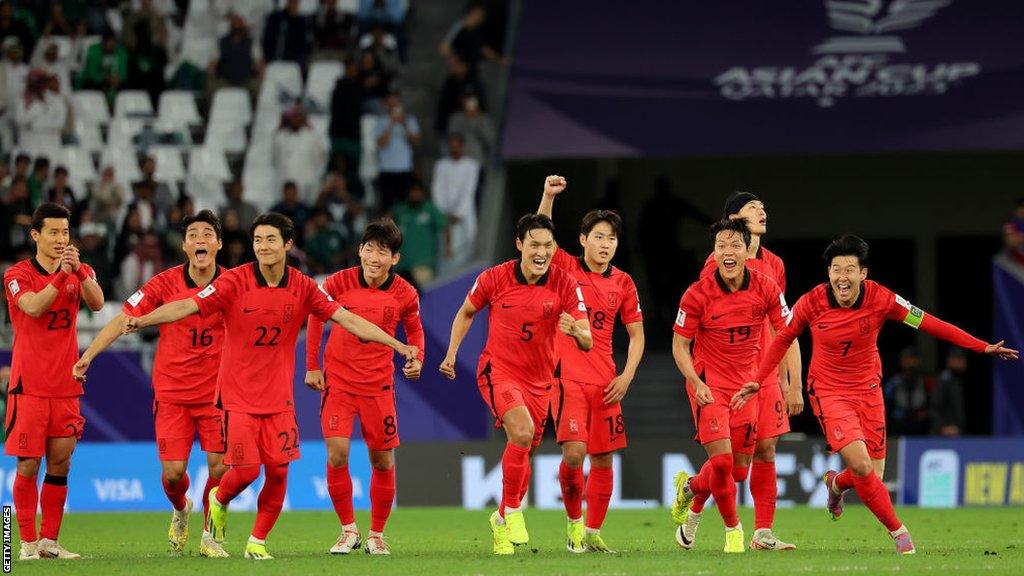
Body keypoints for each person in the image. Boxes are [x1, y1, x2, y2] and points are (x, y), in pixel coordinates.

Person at [120, 212, 418, 559]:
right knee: (245, 471)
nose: (263, 246)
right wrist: (144, 320)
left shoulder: (304, 286)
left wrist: (398, 346)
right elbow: (188, 305)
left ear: (287, 244)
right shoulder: (234, 281)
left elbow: (348, 320)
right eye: (257, 240)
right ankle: (218, 498)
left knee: (278, 472)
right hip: (238, 395)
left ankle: (256, 542)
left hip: (280, 398)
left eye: (271, 239)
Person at [737, 234, 1019, 554]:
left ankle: (835, 484)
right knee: (861, 464)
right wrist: (760, 380)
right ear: (828, 273)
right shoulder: (811, 302)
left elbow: (929, 323)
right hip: (829, 392)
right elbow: (782, 339)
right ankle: (900, 533)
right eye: (835, 270)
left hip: (869, 390)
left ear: (863, 274)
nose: (842, 277)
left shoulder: (883, 299)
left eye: (849, 270)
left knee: (872, 473)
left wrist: (980, 346)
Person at [73, 210, 230, 557]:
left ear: (218, 244)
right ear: (185, 246)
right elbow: (124, 320)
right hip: (173, 392)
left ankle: (210, 536)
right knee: (173, 475)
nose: (200, 239)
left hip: (217, 394)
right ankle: (180, 509)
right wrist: (90, 355)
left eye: (208, 234)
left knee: (220, 466)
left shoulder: (233, 284)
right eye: (193, 234)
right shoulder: (163, 284)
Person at [439, 213, 591, 555]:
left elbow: (588, 339)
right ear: (519, 244)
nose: (541, 252)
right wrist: (451, 354)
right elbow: (466, 312)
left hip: (541, 382)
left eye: (548, 246)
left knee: (525, 451)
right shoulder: (494, 277)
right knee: (521, 433)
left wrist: (577, 332)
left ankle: (499, 520)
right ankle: (512, 512)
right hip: (499, 370)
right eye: (534, 244)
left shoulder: (565, 283)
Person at [669, 218, 796, 554]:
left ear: (746, 250)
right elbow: (679, 346)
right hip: (709, 385)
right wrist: (695, 382)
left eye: (734, 245)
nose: (728, 252)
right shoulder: (697, 294)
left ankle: (691, 492)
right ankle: (735, 533)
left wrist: (774, 378)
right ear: (714, 252)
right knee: (723, 464)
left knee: (738, 472)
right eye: (721, 246)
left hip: (748, 388)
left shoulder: (766, 286)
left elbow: (786, 332)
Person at [536, 176, 645, 553]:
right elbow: (541, 239)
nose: (605, 244)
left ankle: (594, 533)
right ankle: (574, 523)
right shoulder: (565, 269)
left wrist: (627, 376)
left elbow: (637, 335)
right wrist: (548, 197)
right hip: (567, 379)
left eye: (611, 238)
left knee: (602, 458)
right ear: (583, 240)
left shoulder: (624, 283)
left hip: (606, 381)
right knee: (575, 454)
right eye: (598, 236)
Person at [304, 219, 425, 555]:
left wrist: (417, 359)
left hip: (378, 386)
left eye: (382, 251)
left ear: (394, 258)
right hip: (339, 383)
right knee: (337, 453)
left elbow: (414, 333)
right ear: (359, 251)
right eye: (368, 248)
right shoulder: (337, 282)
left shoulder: (405, 293)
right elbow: (316, 316)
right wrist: (312, 365)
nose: (374, 256)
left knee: (382, 461)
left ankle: (376, 534)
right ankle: (347, 530)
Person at [4, 203, 105, 560]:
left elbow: (97, 302)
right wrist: (62, 276)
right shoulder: (17, 274)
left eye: (65, 232)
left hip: (66, 384)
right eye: (54, 233)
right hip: (28, 385)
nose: (62, 239)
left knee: (61, 463)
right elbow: (32, 307)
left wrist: (78, 273)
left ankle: (49, 541)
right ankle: (25, 544)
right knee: (28, 465)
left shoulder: (79, 269)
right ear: (36, 235)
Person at [432, 133, 478, 271]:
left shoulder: (472, 165)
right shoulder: (441, 165)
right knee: (445, 248)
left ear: (462, 146)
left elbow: (469, 190)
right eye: (452, 146)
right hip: (444, 213)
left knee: (467, 244)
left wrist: (458, 213)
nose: (454, 149)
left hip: (465, 213)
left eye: (457, 146)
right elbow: (437, 188)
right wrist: (442, 212)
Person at [390, 181, 447, 287]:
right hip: (401, 265)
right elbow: (385, 225)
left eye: (417, 192)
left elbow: (445, 227)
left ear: (423, 193)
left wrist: (448, 248)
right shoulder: (399, 209)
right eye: (412, 192)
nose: (415, 195)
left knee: (423, 296)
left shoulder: (430, 209)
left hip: (423, 264)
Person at [374, 91, 419, 213]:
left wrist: (404, 123)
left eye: (395, 102)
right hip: (386, 169)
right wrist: (391, 124)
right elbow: (381, 144)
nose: (393, 105)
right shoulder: (382, 121)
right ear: (387, 104)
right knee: (387, 206)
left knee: (405, 204)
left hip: (405, 168)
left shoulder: (410, 120)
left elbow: (415, 141)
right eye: (390, 103)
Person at [883, 347, 933, 436]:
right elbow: (886, 404)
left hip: (921, 425)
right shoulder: (894, 382)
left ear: (917, 361)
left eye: (912, 359)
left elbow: (933, 402)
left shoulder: (926, 380)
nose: (909, 362)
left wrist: (925, 414)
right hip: (899, 425)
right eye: (906, 359)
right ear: (901, 361)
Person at [931, 348, 968, 437]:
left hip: (957, 431)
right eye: (959, 360)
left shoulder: (957, 379)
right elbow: (935, 406)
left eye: (962, 360)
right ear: (950, 361)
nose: (962, 363)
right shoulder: (945, 379)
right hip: (946, 433)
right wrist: (943, 426)